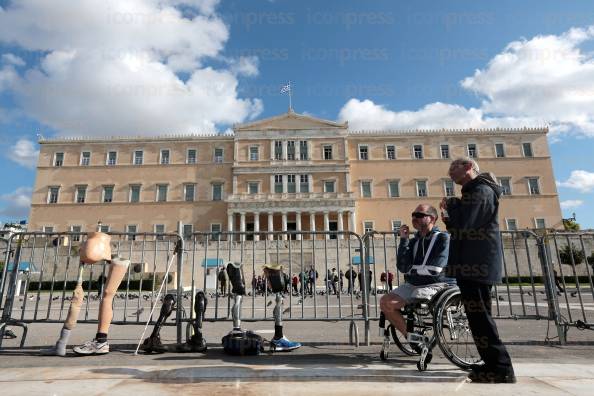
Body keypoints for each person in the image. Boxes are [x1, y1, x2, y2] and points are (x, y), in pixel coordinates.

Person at [441, 157, 516, 383]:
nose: (449, 172)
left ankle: (502, 368)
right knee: (477, 318)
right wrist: (450, 211)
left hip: (477, 265)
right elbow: (458, 226)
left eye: (453, 167)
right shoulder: (472, 192)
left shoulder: (481, 191)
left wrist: (452, 206)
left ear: (468, 167)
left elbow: (464, 226)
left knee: (481, 318)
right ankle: (493, 363)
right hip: (472, 264)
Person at [379, 204, 451, 352]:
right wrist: (404, 240)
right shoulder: (413, 242)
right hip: (414, 284)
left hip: (437, 284)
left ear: (432, 218)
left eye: (419, 215)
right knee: (385, 302)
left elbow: (435, 269)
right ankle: (412, 338)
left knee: (415, 295)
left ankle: (414, 338)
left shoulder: (443, 238)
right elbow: (403, 267)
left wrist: (412, 270)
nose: (414, 218)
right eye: (413, 215)